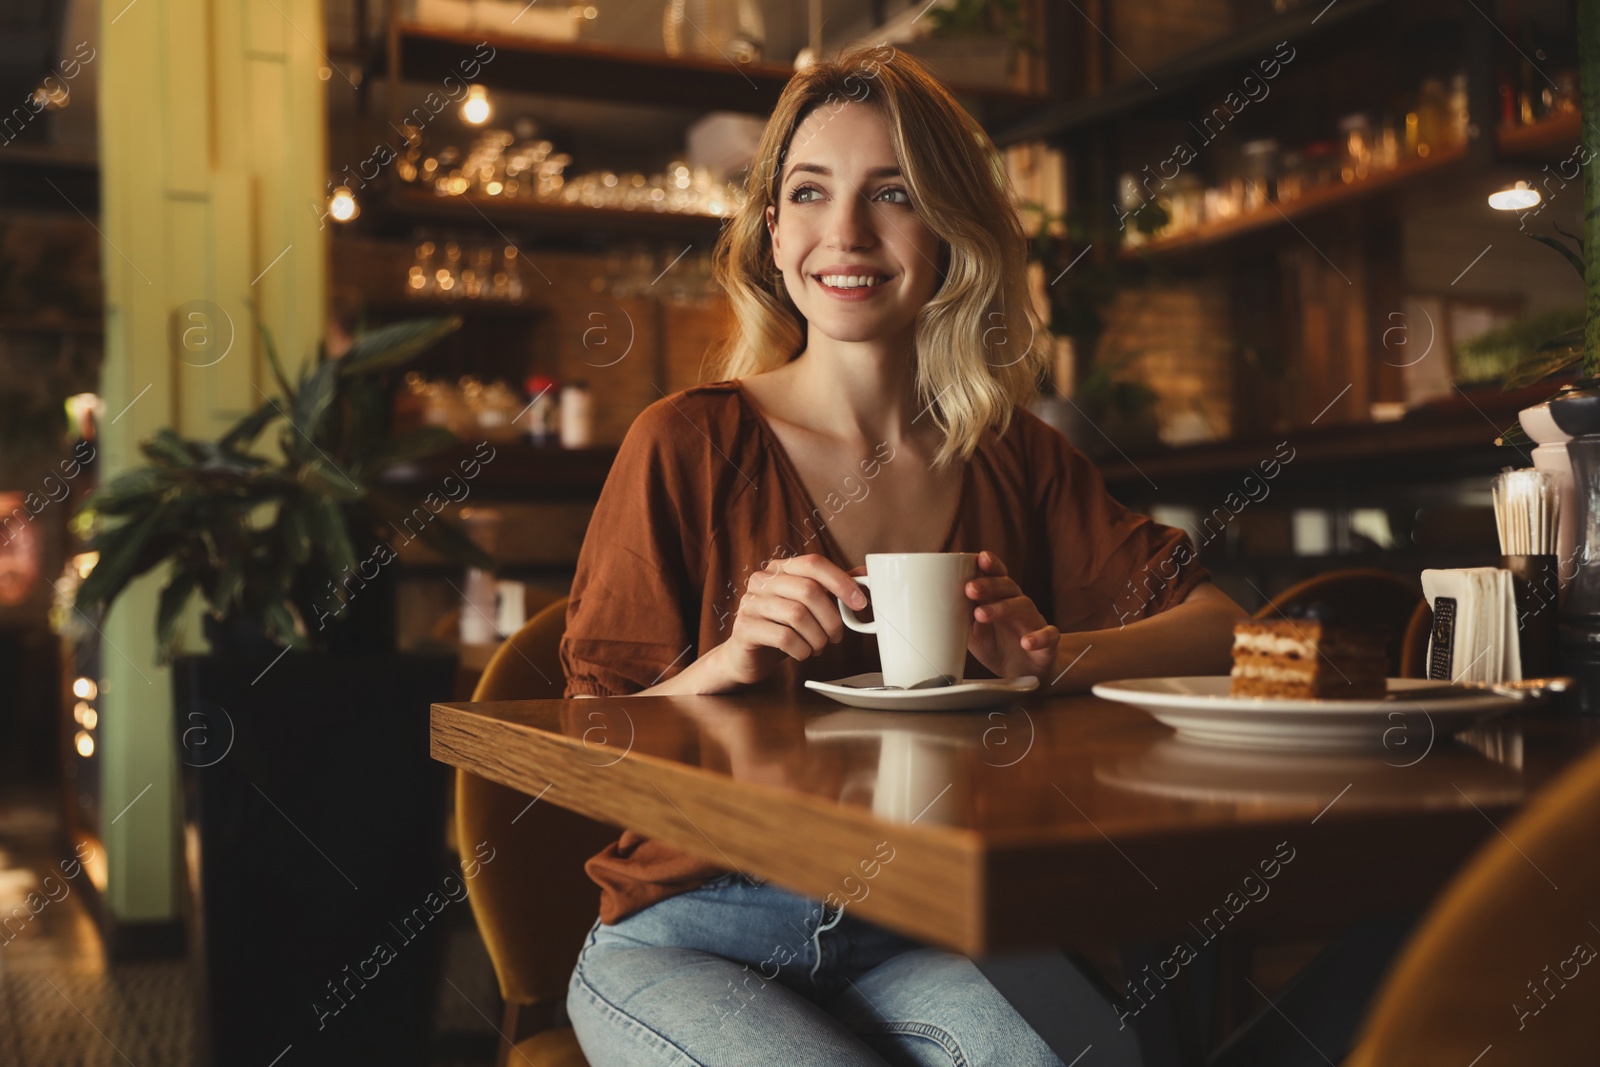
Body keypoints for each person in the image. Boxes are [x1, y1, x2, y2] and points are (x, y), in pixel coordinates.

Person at [558, 44, 1245, 1067]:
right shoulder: (686, 441)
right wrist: (722, 666)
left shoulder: (1015, 455)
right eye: (809, 193)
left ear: (950, 231)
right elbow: (584, 744)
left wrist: (1052, 656)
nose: (845, 233)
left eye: (892, 193)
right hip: (691, 928)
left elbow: (1219, 627)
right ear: (774, 232)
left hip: (919, 924)